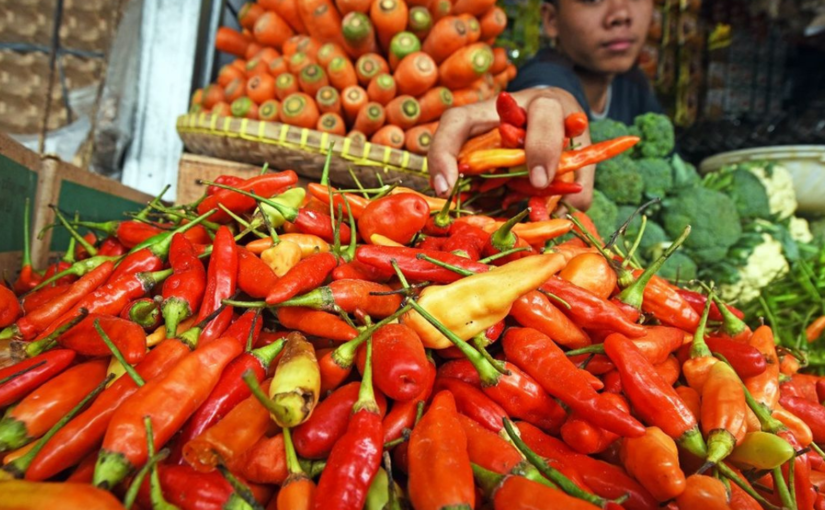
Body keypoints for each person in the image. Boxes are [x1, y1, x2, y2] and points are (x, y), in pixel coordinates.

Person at [428, 0, 660, 210]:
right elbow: (547, 92)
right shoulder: (545, 71)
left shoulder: (635, 84)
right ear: (551, 20)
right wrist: (548, 99)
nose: (620, 14)